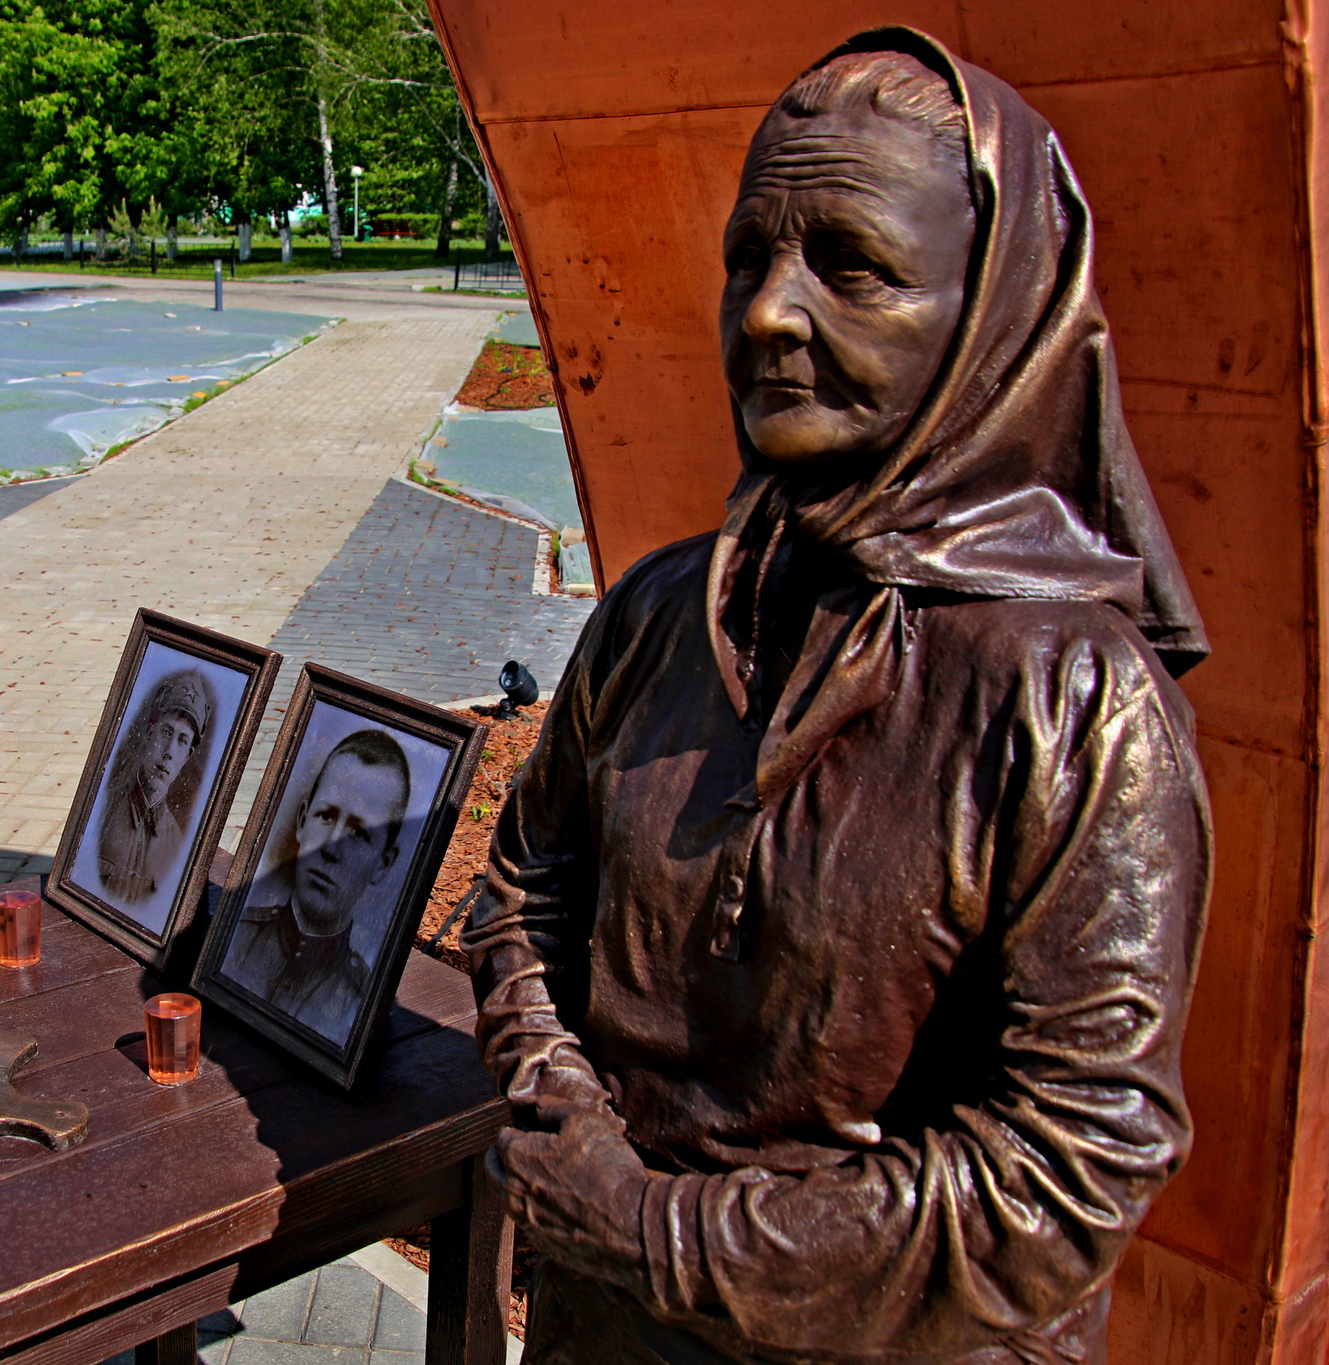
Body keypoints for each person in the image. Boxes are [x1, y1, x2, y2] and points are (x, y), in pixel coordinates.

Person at [462, 29, 1212, 1365]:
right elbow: (526, 883)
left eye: (850, 266)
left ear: (994, 318)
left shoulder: (1080, 705)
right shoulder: (660, 612)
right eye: (750, 256)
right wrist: (558, 1103)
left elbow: (1068, 1172)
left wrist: (658, 1232)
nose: (766, 310)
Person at [224, 727, 410, 1045]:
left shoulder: (359, 1004)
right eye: (325, 816)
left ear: (383, 863)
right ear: (301, 821)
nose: (330, 848)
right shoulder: (231, 941)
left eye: (358, 833)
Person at [94, 669, 214, 906]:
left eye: (181, 740)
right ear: (150, 734)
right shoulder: (101, 810)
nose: (169, 751)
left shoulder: (176, 843)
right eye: (166, 732)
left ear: (188, 756)